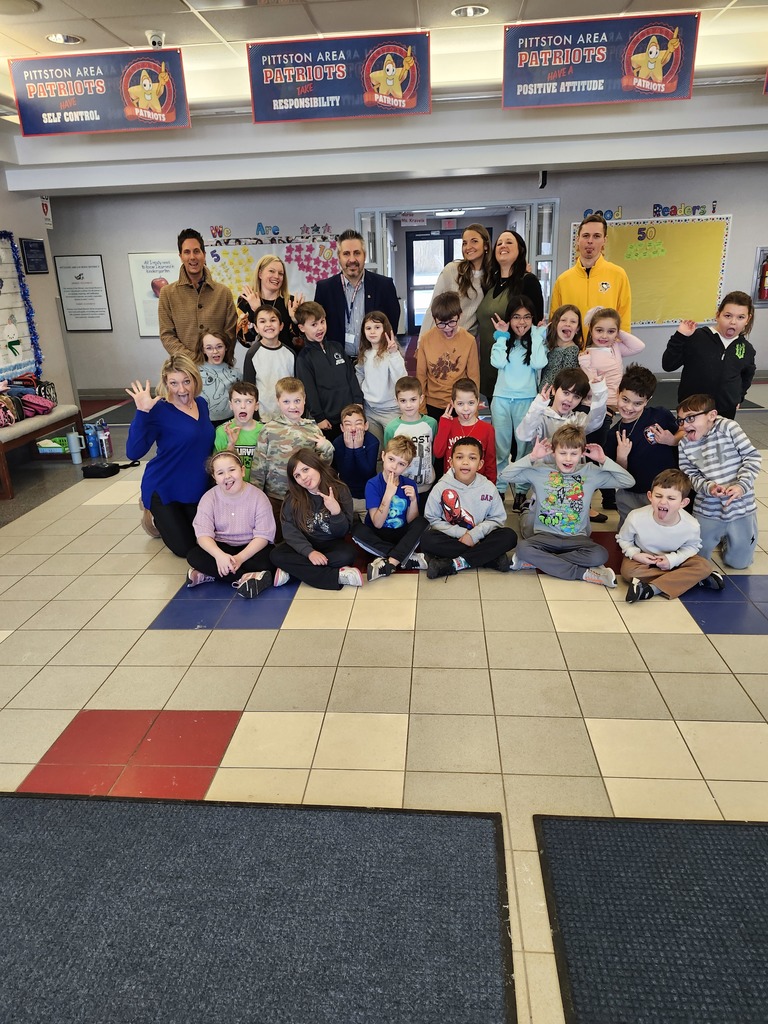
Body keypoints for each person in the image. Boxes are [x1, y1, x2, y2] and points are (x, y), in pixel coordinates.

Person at [501, 425, 634, 587]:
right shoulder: (540, 471)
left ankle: (538, 562)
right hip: (544, 537)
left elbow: (628, 482)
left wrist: (603, 460)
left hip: (578, 539)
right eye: (563, 453)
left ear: (582, 453)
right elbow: (505, 475)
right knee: (522, 548)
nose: (568, 459)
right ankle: (583, 574)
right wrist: (532, 457)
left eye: (574, 454)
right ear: (553, 452)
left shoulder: (590, 472)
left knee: (600, 555)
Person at [125, 354, 215, 556]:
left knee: (205, 542)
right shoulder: (157, 410)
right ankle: (152, 515)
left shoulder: (201, 404)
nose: (181, 390)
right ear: (166, 383)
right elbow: (133, 453)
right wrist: (142, 412)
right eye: (173, 383)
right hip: (165, 487)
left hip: (195, 489)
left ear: (195, 380)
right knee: (185, 549)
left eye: (186, 381)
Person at [676, 393, 762, 569]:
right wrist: (708, 487)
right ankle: (716, 536)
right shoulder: (684, 444)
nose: (685, 425)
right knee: (697, 561)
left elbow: (752, 458)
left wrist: (740, 486)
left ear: (711, 415)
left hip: (741, 508)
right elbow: (689, 475)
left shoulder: (729, 427)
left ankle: (728, 541)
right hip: (708, 510)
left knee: (738, 563)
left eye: (691, 418)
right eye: (681, 420)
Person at [617, 468, 723, 602]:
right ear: (650, 496)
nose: (663, 502)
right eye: (658, 496)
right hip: (644, 557)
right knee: (629, 572)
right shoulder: (635, 517)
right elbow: (623, 539)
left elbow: (692, 547)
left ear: (683, 503)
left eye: (671, 498)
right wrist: (636, 554)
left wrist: (673, 560)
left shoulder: (691, 524)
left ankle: (651, 589)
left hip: (677, 557)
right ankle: (691, 580)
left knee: (704, 566)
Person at [422, 437, 517, 579]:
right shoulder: (440, 487)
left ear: (480, 464)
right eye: (459, 457)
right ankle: (489, 558)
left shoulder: (488, 487)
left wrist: (474, 536)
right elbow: (432, 519)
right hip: (453, 538)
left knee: (509, 536)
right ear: (451, 462)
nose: (465, 462)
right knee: (427, 539)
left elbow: (497, 519)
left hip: (481, 537)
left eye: (472, 458)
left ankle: (454, 563)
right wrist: (462, 534)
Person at [187, 451, 277, 599]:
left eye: (232, 470)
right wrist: (220, 556)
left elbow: (263, 536)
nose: (227, 476)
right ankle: (246, 577)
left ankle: (213, 573)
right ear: (215, 478)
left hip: (250, 547)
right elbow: (203, 534)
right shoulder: (209, 498)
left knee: (270, 557)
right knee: (194, 555)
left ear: (242, 471)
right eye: (220, 473)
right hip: (222, 547)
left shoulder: (258, 497)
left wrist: (240, 558)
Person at [270, 448, 363, 590]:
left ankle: (293, 572)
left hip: (331, 544)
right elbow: (290, 531)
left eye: (306, 470)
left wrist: (336, 511)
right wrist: (309, 552)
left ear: (316, 465)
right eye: (297, 475)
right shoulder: (293, 498)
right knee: (276, 555)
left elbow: (342, 532)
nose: (303, 478)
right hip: (304, 544)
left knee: (348, 555)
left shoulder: (340, 490)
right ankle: (336, 576)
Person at [604, 364, 681, 527]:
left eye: (637, 403)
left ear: (648, 400)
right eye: (625, 400)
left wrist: (672, 440)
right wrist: (621, 457)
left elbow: (684, 432)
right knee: (630, 533)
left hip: (666, 492)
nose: (629, 407)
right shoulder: (613, 435)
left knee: (665, 531)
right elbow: (618, 477)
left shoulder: (660, 415)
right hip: (631, 494)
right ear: (618, 392)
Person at [490, 294, 548, 506]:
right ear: (509, 318)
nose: (521, 322)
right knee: (501, 448)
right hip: (502, 400)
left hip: (527, 400)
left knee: (524, 448)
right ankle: (500, 486)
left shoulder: (535, 342)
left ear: (533, 319)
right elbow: (496, 362)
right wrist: (502, 336)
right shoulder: (504, 341)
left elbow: (539, 362)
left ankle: (522, 489)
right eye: (516, 316)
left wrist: (537, 335)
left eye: (526, 317)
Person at [661, 291, 756, 420]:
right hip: (692, 409)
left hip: (725, 411)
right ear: (718, 315)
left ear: (748, 319)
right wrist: (680, 336)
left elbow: (747, 375)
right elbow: (668, 365)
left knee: (720, 441)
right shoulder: (696, 337)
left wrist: (738, 397)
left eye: (740, 317)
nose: (733, 322)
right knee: (690, 439)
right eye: (728, 316)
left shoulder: (747, 349)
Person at [252, 377, 334, 517]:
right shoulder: (269, 429)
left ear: (304, 399)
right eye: (286, 402)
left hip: (304, 495)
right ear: (278, 402)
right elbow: (259, 466)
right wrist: (256, 496)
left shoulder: (313, 429)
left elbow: (322, 466)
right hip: (274, 496)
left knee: (301, 534)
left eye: (297, 401)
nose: (293, 406)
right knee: (275, 536)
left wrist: (327, 448)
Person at [476, 229, 544, 400]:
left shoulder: (528, 281)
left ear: (520, 249)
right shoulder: (491, 282)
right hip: (490, 360)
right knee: (499, 422)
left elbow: (536, 324)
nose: (503, 246)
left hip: (515, 367)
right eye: (499, 243)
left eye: (509, 242)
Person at [352, 435, 428, 582]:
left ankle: (390, 562)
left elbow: (412, 521)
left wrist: (413, 501)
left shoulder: (410, 484)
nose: (394, 467)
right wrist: (388, 495)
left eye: (401, 464)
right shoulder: (373, 484)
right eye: (391, 459)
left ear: (407, 466)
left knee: (422, 523)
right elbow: (377, 523)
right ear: (383, 456)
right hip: (378, 534)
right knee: (356, 529)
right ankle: (405, 557)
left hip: (400, 534)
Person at [314, 229, 400, 358]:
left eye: (357, 253)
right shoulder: (325, 289)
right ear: (339, 257)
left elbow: (391, 323)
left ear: (364, 255)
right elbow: (318, 326)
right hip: (337, 363)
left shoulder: (384, 285)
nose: (352, 259)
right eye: (346, 254)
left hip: (375, 360)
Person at [158, 228, 237, 358]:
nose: (192, 257)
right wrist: (192, 360)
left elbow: (230, 333)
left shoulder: (223, 293)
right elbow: (167, 335)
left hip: (218, 366)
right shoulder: (167, 293)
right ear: (180, 256)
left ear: (204, 254)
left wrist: (214, 358)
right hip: (185, 370)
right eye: (187, 252)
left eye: (196, 251)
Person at [294, 300, 363, 438]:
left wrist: (358, 401)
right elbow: (309, 390)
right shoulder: (304, 358)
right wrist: (319, 418)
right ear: (302, 328)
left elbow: (351, 376)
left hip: (350, 416)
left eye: (322, 322)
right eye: (314, 325)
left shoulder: (336, 347)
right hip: (328, 421)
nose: (320, 328)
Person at [550, 214, 632, 329]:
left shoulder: (618, 275)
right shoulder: (563, 280)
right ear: (578, 240)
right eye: (586, 236)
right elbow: (555, 322)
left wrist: (619, 346)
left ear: (604, 240)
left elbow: (624, 319)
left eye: (596, 236)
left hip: (605, 346)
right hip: (571, 347)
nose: (590, 241)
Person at [418, 223, 492, 339]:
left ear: (486, 246)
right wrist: (421, 342)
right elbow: (432, 307)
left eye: (474, 241)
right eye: (464, 243)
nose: (468, 247)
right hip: (442, 337)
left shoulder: (491, 276)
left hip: (466, 341)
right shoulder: (452, 270)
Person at [416, 290, 481, 421]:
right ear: (434, 320)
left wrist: (474, 410)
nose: (447, 328)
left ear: (459, 316)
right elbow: (421, 376)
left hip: (461, 404)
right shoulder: (426, 339)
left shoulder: (469, 340)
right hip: (432, 403)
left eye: (452, 322)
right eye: (441, 323)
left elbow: (474, 378)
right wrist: (421, 408)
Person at [383, 377, 438, 507]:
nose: (408, 405)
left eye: (413, 399)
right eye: (403, 400)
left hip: (426, 485)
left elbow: (433, 453)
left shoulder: (431, 423)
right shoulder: (392, 428)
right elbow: (388, 457)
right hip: (402, 487)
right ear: (397, 401)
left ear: (421, 399)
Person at [355, 310, 406, 442]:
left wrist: (394, 354)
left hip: (391, 410)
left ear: (385, 329)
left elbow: (401, 379)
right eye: (368, 328)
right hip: (370, 410)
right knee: (376, 449)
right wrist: (363, 388)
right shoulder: (365, 352)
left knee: (394, 447)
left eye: (377, 327)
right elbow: (359, 372)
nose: (372, 332)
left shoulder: (392, 352)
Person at [434, 376, 497, 483]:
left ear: (478, 402)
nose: (466, 408)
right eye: (460, 404)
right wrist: (444, 424)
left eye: (471, 403)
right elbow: (438, 452)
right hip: (451, 483)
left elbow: (490, 461)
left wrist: (491, 486)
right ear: (453, 404)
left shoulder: (487, 429)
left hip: (477, 484)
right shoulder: (448, 424)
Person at [242, 305, 296, 422]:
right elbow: (249, 389)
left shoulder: (290, 354)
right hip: (263, 418)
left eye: (273, 320)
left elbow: (297, 387)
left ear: (281, 326)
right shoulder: (252, 354)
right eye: (262, 321)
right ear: (256, 328)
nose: (268, 325)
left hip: (288, 417)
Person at [237, 254, 301, 350]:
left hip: (289, 360)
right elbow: (246, 341)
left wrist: (295, 320)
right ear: (260, 274)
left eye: (280, 273)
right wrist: (256, 311)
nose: (276, 276)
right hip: (260, 360)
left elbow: (300, 342)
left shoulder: (291, 302)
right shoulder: (246, 300)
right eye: (271, 271)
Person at [332, 403, 380, 517]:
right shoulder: (338, 443)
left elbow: (367, 472)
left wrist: (358, 448)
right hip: (347, 493)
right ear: (342, 428)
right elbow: (345, 473)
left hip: (367, 493)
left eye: (358, 423)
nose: (353, 428)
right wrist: (349, 448)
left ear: (366, 426)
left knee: (370, 527)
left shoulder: (372, 442)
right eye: (348, 424)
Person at [213, 381, 262, 483]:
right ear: (231, 405)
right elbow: (218, 468)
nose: (243, 406)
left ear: (256, 406)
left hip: (257, 489)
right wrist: (231, 444)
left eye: (248, 401)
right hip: (231, 487)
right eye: (237, 401)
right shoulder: (222, 431)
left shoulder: (264, 431)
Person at [193, 329, 241, 427]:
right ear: (203, 350)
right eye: (209, 348)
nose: (215, 351)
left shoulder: (235, 374)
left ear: (226, 347)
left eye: (219, 347)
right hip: (203, 421)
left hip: (229, 421)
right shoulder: (194, 372)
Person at [540, 305, 583, 391]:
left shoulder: (572, 350)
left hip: (553, 399)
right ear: (555, 324)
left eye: (573, 322)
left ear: (577, 329)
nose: (568, 324)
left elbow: (566, 382)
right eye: (563, 320)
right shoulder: (550, 347)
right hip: (542, 398)